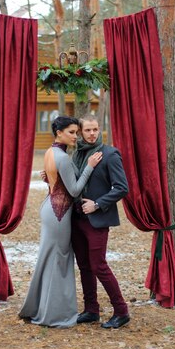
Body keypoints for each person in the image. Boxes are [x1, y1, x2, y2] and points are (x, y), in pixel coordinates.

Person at [19, 116, 102, 328]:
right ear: (59, 133)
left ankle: (39, 307)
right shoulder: (63, 157)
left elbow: (53, 179)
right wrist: (89, 166)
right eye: (72, 132)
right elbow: (74, 190)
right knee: (59, 260)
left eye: (76, 132)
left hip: (51, 208)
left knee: (49, 259)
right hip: (59, 213)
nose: (76, 136)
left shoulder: (51, 152)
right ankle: (53, 314)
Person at [71, 114, 130, 329]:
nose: (92, 133)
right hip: (76, 218)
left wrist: (97, 204)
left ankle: (121, 311)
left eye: (95, 129)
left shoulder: (110, 154)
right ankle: (91, 309)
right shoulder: (76, 154)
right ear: (80, 132)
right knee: (84, 265)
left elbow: (122, 188)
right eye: (87, 130)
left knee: (99, 265)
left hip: (97, 218)